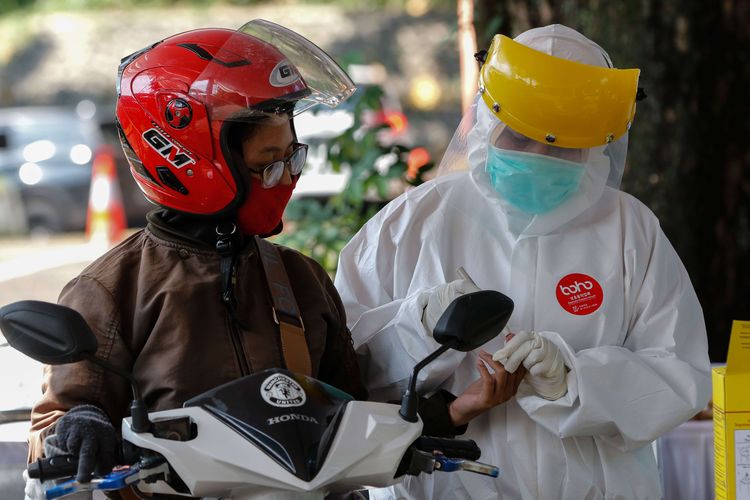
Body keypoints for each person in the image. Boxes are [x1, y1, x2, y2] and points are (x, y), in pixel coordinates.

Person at [25, 20, 519, 498]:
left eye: (293, 157)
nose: (287, 178)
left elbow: (349, 415)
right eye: (268, 163)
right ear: (191, 160)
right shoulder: (113, 289)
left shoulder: (299, 278)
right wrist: (80, 423)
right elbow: (55, 424)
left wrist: (451, 410)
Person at [334, 24, 712, 499]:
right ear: (489, 121)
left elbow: (680, 375)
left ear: (596, 144)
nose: (537, 155)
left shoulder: (630, 230)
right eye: (519, 137)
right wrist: (417, 325)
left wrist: (575, 382)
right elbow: (344, 371)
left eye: (559, 146)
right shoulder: (413, 222)